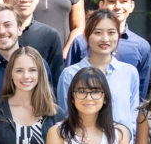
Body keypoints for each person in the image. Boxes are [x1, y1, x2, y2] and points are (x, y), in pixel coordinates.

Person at [56, 9, 139, 137]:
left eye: (111, 32)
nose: (105, 39)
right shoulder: (70, 74)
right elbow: (65, 119)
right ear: (87, 35)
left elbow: (133, 120)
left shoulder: (129, 72)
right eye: (98, 32)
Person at [66, 0, 151, 98]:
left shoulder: (142, 47)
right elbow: (69, 85)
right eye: (112, 1)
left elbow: (140, 95)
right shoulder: (80, 42)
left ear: (132, 6)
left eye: (124, 1)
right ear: (102, 5)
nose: (118, 6)